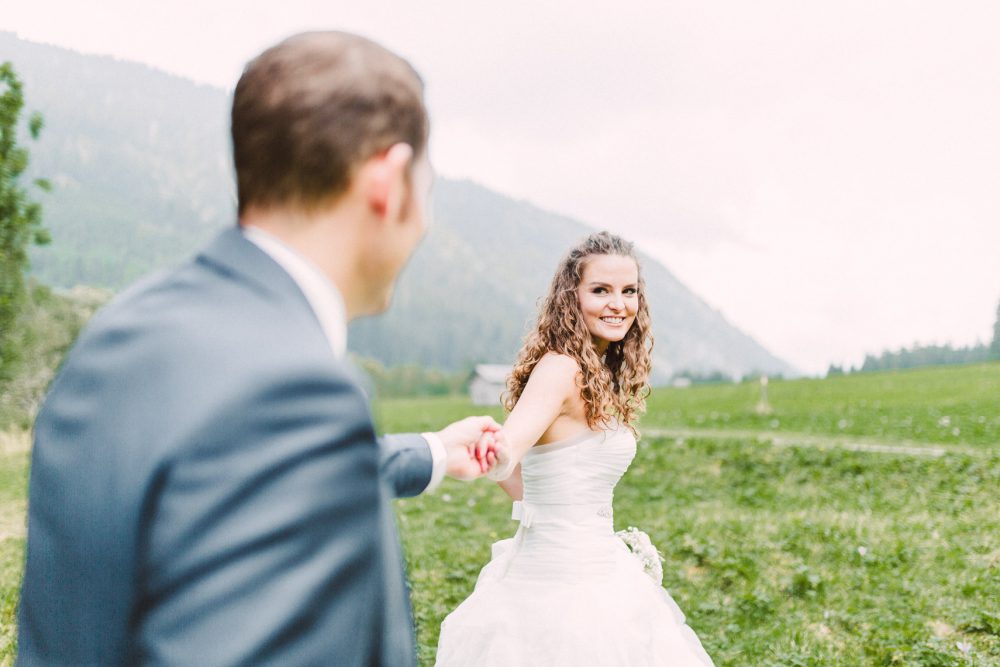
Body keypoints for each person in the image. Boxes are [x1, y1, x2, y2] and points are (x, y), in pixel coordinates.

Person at [17, 31, 505, 666]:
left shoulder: (120, 333)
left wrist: (435, 452)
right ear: (388, 182)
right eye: (428, 188)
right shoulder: (296, 392)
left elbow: (234, 469)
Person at [435, 232, 714, 666]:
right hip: (559, 584)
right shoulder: (561, 369)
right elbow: (509, 449)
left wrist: (548, 508)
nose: (618, 304)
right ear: (572, 297)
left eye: (629, 291)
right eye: (600, 290)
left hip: (601, 568)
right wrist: (485, 451)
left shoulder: (598, 370)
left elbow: (526, 472)